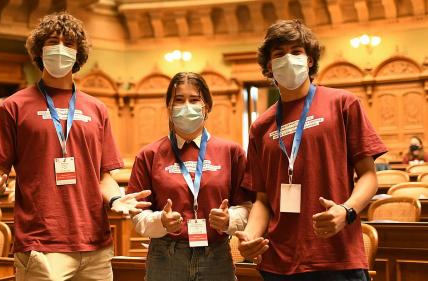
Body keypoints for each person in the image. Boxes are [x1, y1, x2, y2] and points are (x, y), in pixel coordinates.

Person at [0, 12, 150, 281]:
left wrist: (116, 198)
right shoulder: (13, 106)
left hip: (95, 243)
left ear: (78, 54)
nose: (60, 49)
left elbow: (103, 176)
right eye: (53, 41)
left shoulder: (97, 109)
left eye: (69, 44)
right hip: (41, 243)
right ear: (40, 50)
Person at [236, 19, 388, 281]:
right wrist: (251, 235)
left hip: (336, 255)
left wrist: (347, 210)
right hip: (278, 262)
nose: (289, 58)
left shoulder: (343, 103)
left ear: (309, 60)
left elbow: (369, 175)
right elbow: (262, 200)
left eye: (296, 51)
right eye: (279, 54)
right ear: (269, 66)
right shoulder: (261, 126)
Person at [127, 72, 255, 281]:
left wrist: (228, 219)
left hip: (215, 255)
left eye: (194, 100)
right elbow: (137, 214)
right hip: (166, 256)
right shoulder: (149, 154)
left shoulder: (231, 152)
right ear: (169, 108)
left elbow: (248, 206)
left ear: (207, 107)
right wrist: (161, 221)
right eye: (179, 100)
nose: (187, 106)